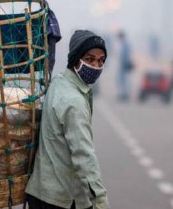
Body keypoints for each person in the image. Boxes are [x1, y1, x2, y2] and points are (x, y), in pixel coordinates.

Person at [26, 30, 110, 209]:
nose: (96, 65)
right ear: (75, 59)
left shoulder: (58, 83)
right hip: (60, 199)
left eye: (101, 60)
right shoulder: (74, 102)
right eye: (89, 59)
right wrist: (100, 201)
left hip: (39, 193)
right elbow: (84, 155)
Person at [117, 30, 133, 102]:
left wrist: (126, 63)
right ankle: (124, 93)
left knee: (125, 80)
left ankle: (125, 94)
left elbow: (127, 55)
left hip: (125, 64)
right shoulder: (124, 43)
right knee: (123, 79)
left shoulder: (126, 43)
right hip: (123, 64)